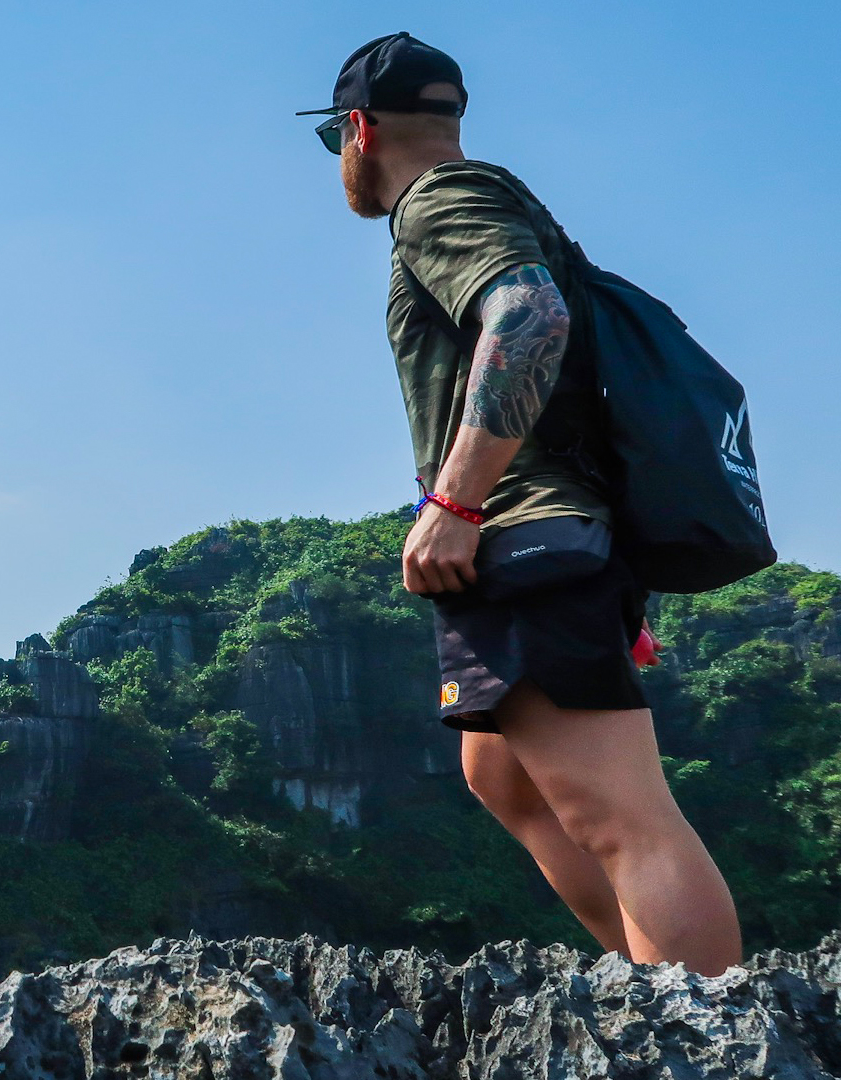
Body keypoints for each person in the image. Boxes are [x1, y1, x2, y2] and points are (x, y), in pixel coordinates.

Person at [299, 32, 742, 975]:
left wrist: (456, 504)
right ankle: (647, 989)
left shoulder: (439, 200)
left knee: (617, 815)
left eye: (334, 136)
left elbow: (531, 315)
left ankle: (709, 1026)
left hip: (518, 527)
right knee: (506, 776)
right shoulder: (502, 200)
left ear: (359, 128)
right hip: (558, 531)